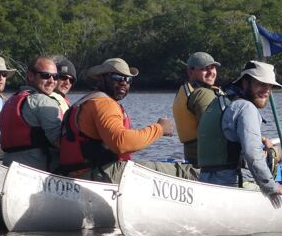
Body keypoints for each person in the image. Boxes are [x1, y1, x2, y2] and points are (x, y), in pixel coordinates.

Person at [59, 57, 199, 183]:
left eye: (128, 79)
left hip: (83, 173)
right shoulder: (104, 104)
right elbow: (121, 142)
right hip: (98, 175)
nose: (124, 82)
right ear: (101, 78)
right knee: (186, 172)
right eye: (117, 77)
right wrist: (159, 128)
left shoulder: (89, 100)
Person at [197, 60, 282, 207]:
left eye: (270, 86)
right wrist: (272, 188)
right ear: (245, 83)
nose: (267, 90)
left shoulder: (217, 102)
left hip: (206, 182)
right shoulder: (246, 108)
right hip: (234, 186)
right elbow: (252, 153)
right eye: (261, 84)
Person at [0, 56, 63, 171]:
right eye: (46, 75)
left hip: (8, 168)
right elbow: (59, 141)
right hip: (37, 172)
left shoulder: (10, 101)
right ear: (31, 75)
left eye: (55, 76)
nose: (52, 81)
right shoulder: (43, 101)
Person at [172, 51, 223, 167]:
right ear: (190, 72)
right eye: (204, 69)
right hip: (211, 161)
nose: (211, 72)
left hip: (194, 158)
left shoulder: (183, 91)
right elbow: (214, 130)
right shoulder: (202, 94)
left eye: (213, 67)